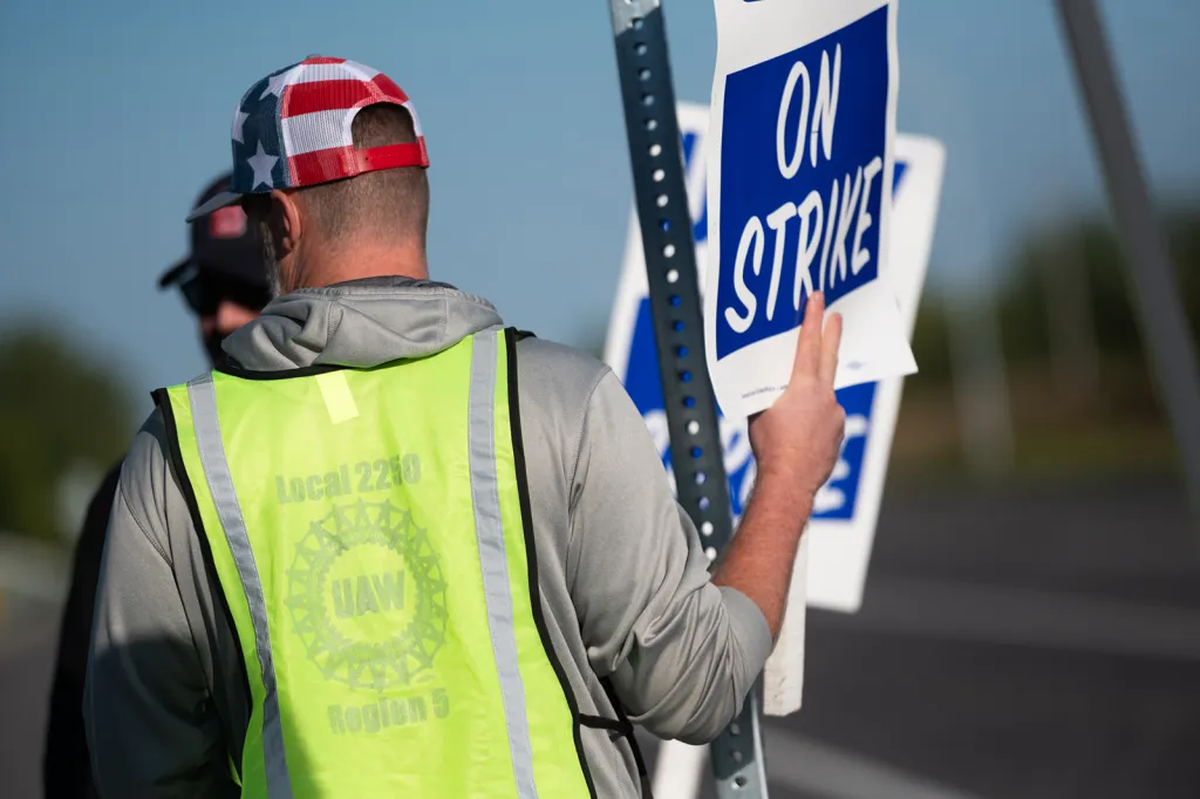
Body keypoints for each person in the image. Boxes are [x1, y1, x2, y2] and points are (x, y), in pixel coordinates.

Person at [83, 56, 845, 798]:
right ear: (416, 194)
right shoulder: (558, 399)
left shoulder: (178, 453)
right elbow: (697, 686)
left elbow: (143, 768)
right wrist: (786, 477)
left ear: (281, 220)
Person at [43, 173, 269, 799]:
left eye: (242, 286)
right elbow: (80, 742)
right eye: (201, 293)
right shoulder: (142, 485)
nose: (220, 316)